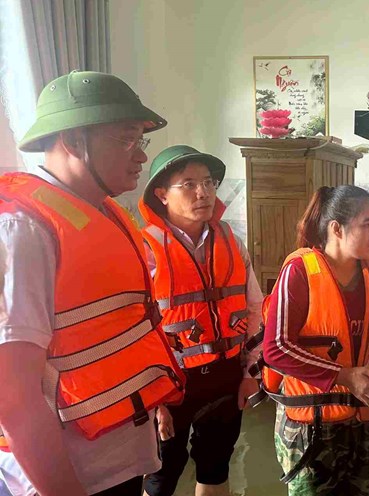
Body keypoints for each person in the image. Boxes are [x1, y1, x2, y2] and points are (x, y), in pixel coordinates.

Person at [0, 71, 185, 496]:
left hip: (115, 461)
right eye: (127, 139)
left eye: (141, 139)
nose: (141, 155)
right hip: (68, 479)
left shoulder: (106, 213)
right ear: (71, 139)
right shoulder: (24, 229)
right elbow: (12, 394)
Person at [138, 145, 263, 496]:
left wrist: (250, 373)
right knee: (161, 474)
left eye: (208, 182)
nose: (203, 192)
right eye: (189, 184)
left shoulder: (231, 242)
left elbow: (255, 309)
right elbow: (135, 331)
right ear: (162, 194)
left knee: (215, 466)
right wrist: (153, 399)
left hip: (225, 376)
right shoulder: (144, 250)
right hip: (170, 383)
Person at [259, 185, 369, 496]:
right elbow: (276, 349)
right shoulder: (299, 272)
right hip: (311, 429)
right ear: (336, 228)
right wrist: (344, 376)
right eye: (366, 224)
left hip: (364, 425)